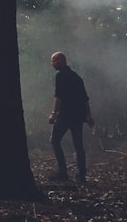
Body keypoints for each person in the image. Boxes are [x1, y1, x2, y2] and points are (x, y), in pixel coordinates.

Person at [48, 51, 94, 183]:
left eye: (54, 60)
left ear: (62, 61)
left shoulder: (60, 76)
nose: (52, 64)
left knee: (54, 140)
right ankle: (82, 176)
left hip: (65, 114)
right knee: (78, 145)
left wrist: (53, 113)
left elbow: (59, 96)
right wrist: (89, 116)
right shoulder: (76, 77)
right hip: (78, 116)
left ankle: (63, 173)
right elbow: (85, 99)